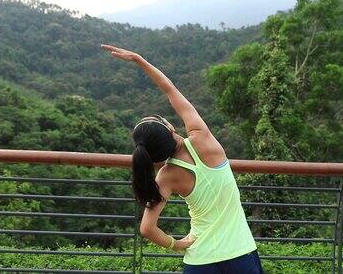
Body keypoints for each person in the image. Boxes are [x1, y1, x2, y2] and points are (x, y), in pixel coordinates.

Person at [101, 44, 263, 274]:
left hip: (200, 261)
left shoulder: (166, 175)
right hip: (240, 255)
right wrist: (139, 60)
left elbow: (147, 228)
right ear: (170, 128)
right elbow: (170, 90)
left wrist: (176, 244)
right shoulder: (202, 139)